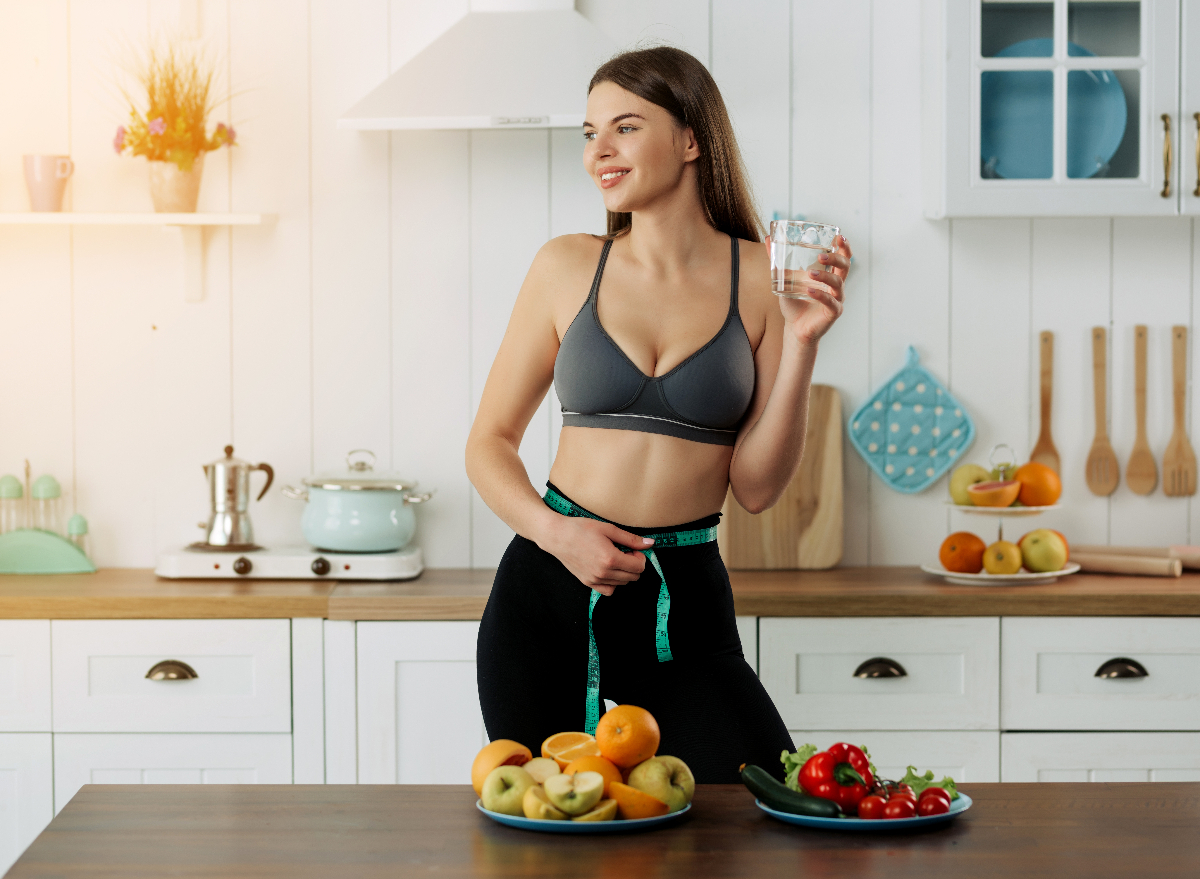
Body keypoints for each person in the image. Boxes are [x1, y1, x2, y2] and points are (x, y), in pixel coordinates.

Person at [467, 46, 850, 783]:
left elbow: (759, 487)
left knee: (756, 805)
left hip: (684, 598)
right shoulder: (567, 265)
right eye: (588, 133)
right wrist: (558, 535)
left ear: (691, 139)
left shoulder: (763, 279)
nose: (598, 151)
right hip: (547, 587)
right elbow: (488, 442)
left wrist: (802, 343)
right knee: (547, 825)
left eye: (624, 127)